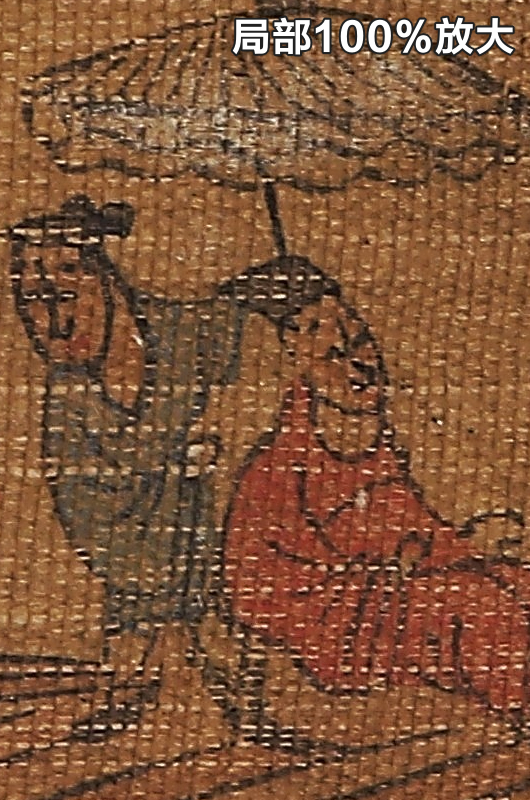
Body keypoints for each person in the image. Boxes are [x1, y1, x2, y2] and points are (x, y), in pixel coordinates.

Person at [222, 256, 530, 724]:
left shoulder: (370, 436)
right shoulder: (290, 460)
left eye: (361, 344)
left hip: (384, 587)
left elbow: (409, 531)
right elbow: (362, 549)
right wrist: (454, 549)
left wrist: (469, 544)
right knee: (479, 607)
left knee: (518, 580)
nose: (362, 367)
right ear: (298, 362)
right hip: (332, 613)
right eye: (334, 357)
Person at [8, 195, 258, 738]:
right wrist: (169, 470)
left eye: (65, 295)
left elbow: (260, 352)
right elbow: (86, 513)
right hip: (146, 588)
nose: (53, 323)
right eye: (32, 301)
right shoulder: (68, 402)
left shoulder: (190, 335)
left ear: (104, 279)